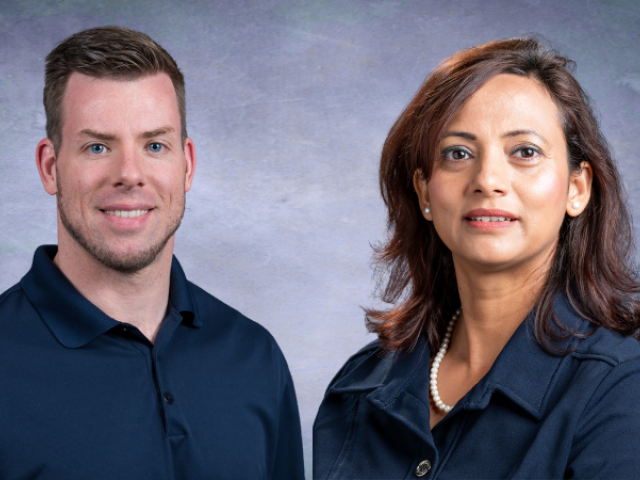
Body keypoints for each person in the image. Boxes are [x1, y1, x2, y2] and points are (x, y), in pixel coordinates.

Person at [313, 37, 640, 479]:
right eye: (458, 153)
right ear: (425, 192)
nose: (487, 179)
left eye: (524, 152)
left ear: (577, 189)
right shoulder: (357, 387)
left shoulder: (621, 390)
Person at [0, 26, 304, 479]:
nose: (129, 174)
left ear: (187, 166)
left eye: (154, 145)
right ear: (50, 167)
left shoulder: (254, 357)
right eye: (98, 146)